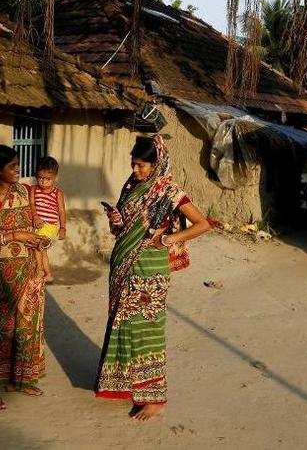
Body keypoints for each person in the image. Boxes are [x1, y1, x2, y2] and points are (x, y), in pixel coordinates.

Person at [95, 135, 211, 421]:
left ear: (156, 164)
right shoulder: (131, 185)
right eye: (133, 164)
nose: (136, 170)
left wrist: (171, 238)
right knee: (122, 323)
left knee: (146, 330)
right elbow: (123, 226)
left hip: (150, 269)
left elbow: (203, 224)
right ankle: (124, 384)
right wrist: (116, 221)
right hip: (123, 262)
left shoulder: (169, 191)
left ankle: (155, 398)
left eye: (142, 165)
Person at [0, 145, 50, 410]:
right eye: (12, 166)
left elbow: (33, 226)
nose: (18, 170)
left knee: (29, 322)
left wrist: (40, 243)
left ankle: (20, 379)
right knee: (4, 323)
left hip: (30, 265)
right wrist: (15, 236)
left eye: (18, 165)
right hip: (4, 268)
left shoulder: (24, 192)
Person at [30, 156, 67, 283]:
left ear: (54, 177)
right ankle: (48, 274)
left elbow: (61, 211)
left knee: (38, 247)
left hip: (50, 226)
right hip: (37, 225)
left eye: (47, 179)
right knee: (42, 251)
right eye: (40, 178)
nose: (43, 181)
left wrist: (62, 228)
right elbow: (32, 205)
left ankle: (40, 272)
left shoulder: (58, 193)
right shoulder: (34, 189)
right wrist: (35, 216)